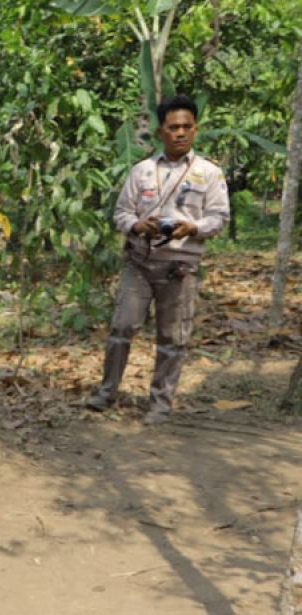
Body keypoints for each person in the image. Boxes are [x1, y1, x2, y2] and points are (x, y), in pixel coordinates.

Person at [86, 94, 229, 424]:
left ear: (195, 130)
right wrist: (137, 224)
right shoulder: (142, 171)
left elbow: (219, 218)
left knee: (173, 337)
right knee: (122, 326)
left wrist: (192, 227)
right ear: (161, 132)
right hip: (140, 261)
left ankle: (160, 403)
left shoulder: (209, 173)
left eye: (187, 127)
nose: (180, 133)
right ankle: (107, 392)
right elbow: (121, 212)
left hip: (180, 266)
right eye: (173, 127)